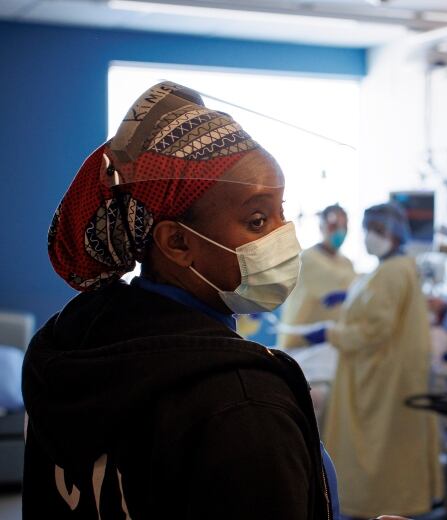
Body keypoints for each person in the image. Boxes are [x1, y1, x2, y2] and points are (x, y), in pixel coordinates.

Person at [22, 82, 340, 519]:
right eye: (257, 219)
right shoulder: (242, 403)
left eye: (283, 212)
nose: (284, 237)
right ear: (176, 242)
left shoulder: (68, 350)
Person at [304, 203, 443, 519]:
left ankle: (381, 509)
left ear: (393, 232)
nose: (369, 237)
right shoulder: (394, 266)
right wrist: (352, 293)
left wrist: (330, 334)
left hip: (383, 379)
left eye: (376, 231)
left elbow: (374, 330)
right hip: (385, 373)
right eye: (368, 229)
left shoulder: (394, 271)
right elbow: (376, 304)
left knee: (380, 453)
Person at [278, 204, 356, 348]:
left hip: (328, 343)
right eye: (334, 225)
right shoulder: (308, 259)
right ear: (321, 226)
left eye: (344, 226)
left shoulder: (346, 263)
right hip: (299, 343)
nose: (340, 231)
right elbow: (344, 281)